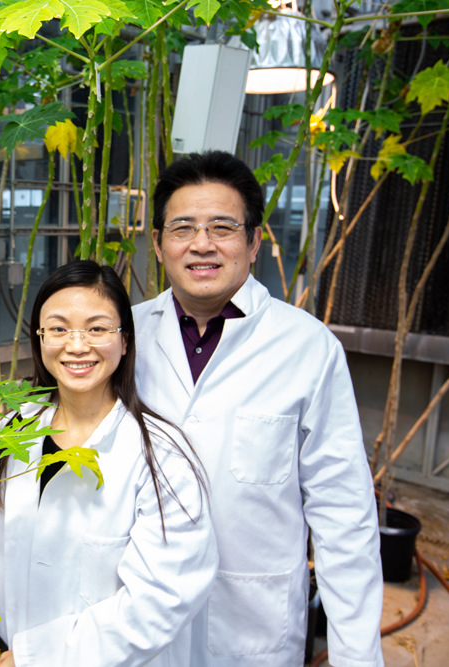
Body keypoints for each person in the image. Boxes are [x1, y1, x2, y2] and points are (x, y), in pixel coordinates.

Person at [133, 151, 383, 667]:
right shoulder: (119, 338)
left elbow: (343, 511)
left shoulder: (307, 347)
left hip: (253, 627)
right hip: (138, 619)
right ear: (158, 244)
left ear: (252, 242)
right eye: (183, 227)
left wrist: (356, 654)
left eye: (222, 227)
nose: (202, 244)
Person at [0, 260, 218, 667]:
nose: (77, 344)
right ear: (40, 338)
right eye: (59, 328)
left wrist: (35, 658)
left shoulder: (162, 455)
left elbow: (162, 596)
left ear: (124, 342)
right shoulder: (12, 428)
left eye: (98, 328)